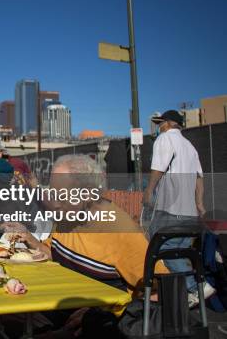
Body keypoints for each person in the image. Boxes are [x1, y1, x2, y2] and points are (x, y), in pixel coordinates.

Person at [13, 155, 169, 337]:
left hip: (98, 327)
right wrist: (30, 239)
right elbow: (55, 253)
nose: (54, 203)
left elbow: (162, 291)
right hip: (62, 308)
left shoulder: (120, 230)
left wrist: (101, 314)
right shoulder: (66, 216)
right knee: (3, 316)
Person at [143, 109, 212, 305]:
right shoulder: (190, 146)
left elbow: (158, 168)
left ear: (169, 123)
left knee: (162, 249)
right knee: (180, 253)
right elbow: (199, 177)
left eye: (161, 123)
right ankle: (187, 294)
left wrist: (148, 191)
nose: (159, 127)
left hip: (170, 210)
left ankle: (194, 286)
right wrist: (199, 203)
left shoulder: (165, 140)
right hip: (189, 213)